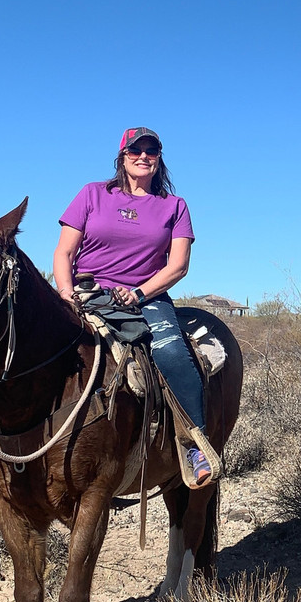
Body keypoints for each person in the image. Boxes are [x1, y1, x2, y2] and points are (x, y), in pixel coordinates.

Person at [53, 126, 212, 487]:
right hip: (86, 292)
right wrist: (65, 293)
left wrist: (139, 293)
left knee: (172, 352)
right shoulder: (93, 194)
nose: (143, 156)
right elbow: (64, 252)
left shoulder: (174, 206)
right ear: (121, 157)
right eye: (135, 150)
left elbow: (178, 266)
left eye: (151, 150)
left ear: (159, 157)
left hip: (146, 297)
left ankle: (194, 444)